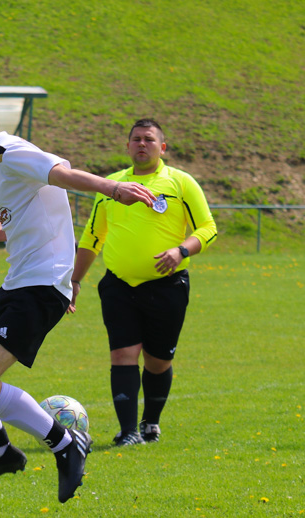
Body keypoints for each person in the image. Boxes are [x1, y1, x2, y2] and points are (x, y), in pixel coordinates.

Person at [0, 79, 156, 502]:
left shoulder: (12, 151)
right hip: (18, 283)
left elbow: (63, 175)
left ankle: (66, 444)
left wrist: (114, 187)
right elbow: (32, 211)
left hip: (39, 288)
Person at [68, 118, 217, 447]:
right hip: (118, 286)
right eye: (136, 139)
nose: (141, 144)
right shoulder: (111, 186)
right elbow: (93, 237)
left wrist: (180, 251)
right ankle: (127, 432)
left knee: (157, 360)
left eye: (149, 139)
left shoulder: (180, 183)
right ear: (127, 146)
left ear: (162, 147)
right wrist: (74, 280)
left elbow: (208, 228)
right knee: (122, 355)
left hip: (167, 287)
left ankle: (150, 422)